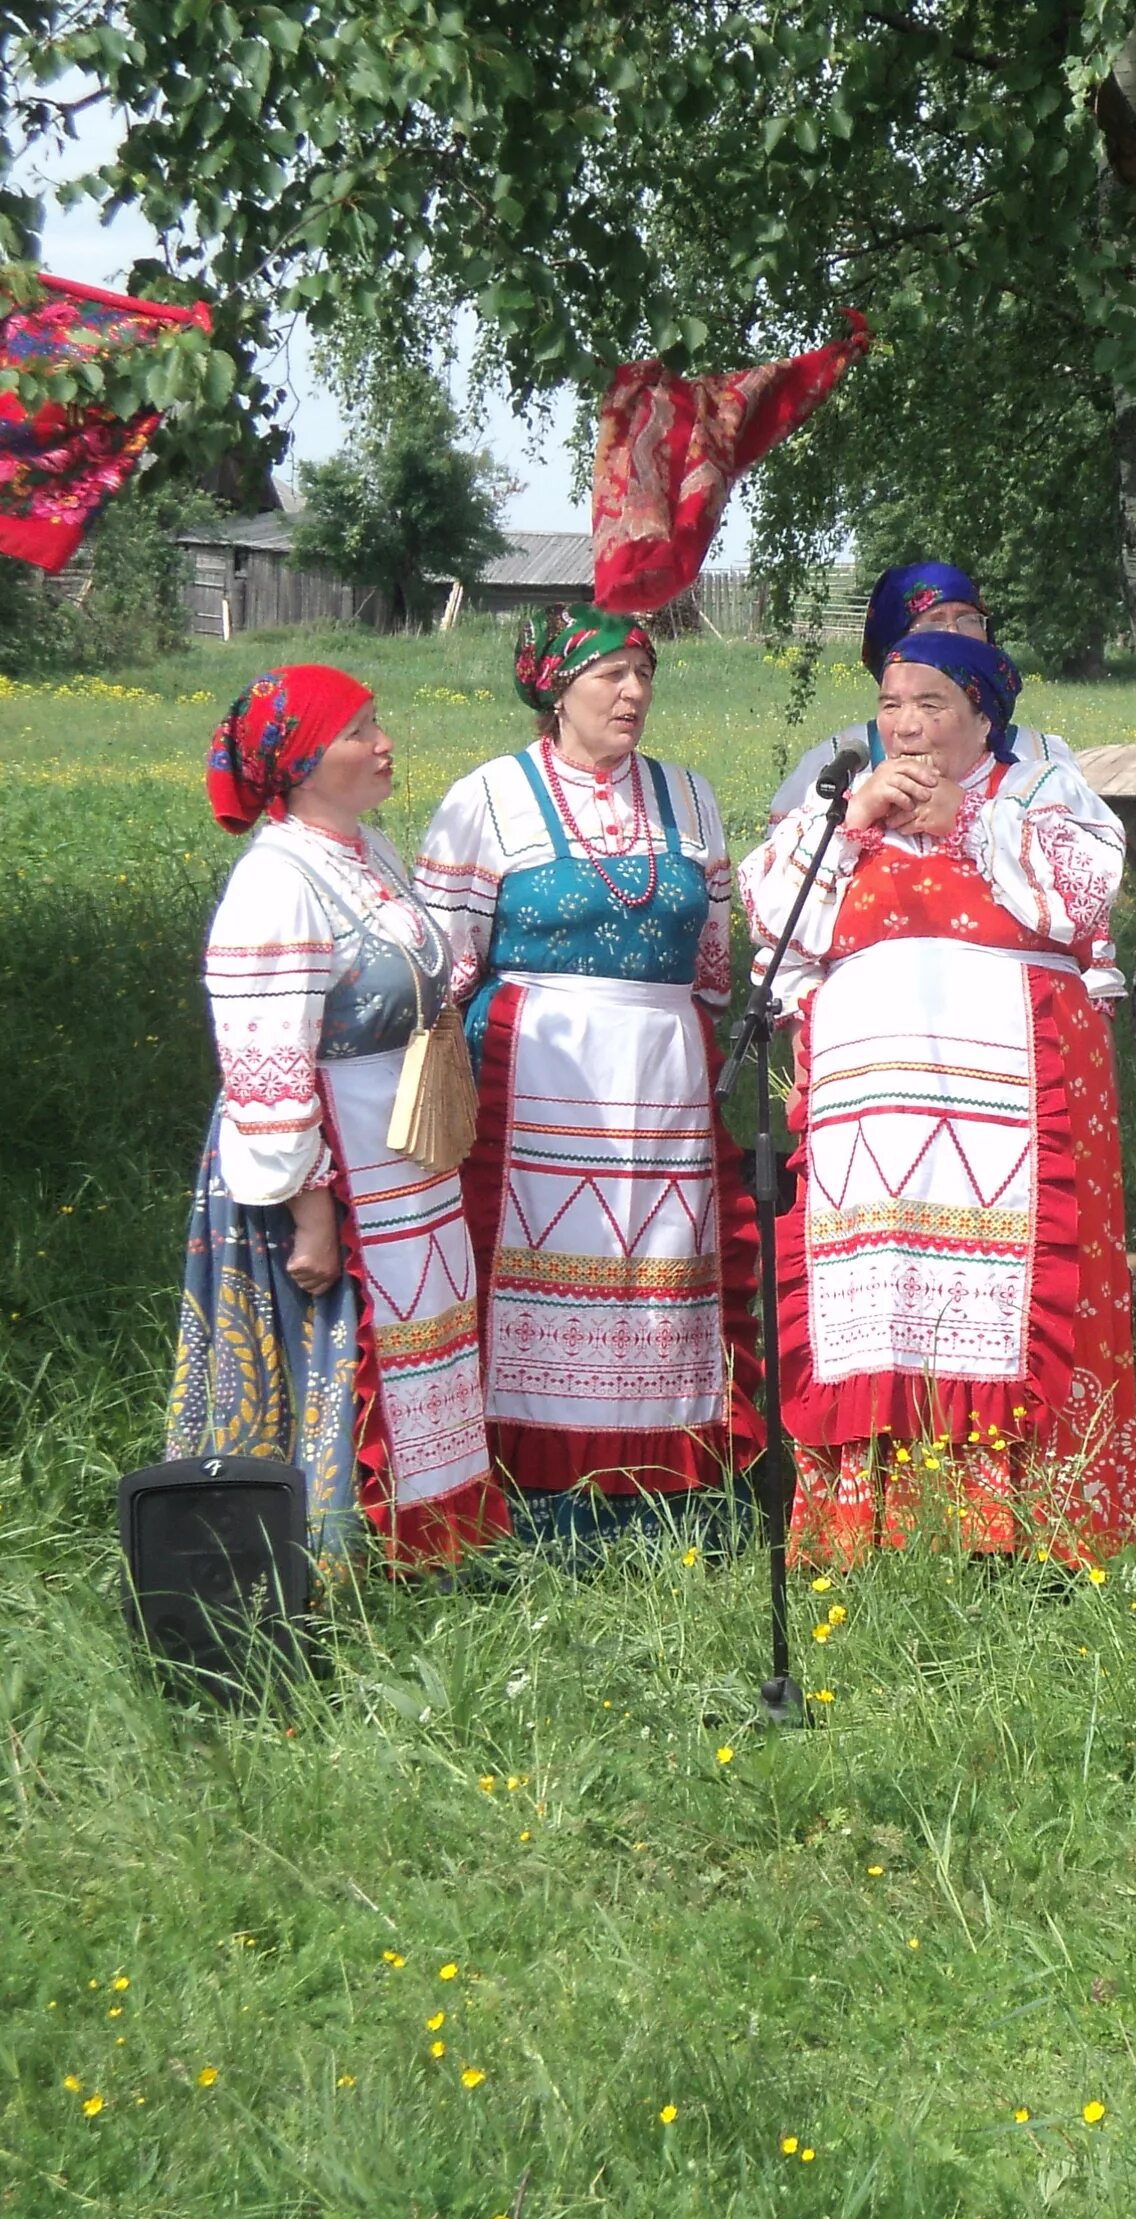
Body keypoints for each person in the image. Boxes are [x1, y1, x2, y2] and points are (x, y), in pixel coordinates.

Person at [741, 627, 1136, 1566]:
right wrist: (850, 820)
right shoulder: (842, 802)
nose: (907, 726)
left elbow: (1086, 895)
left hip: (1019, 1088)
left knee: (1028, 1292)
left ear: (983, 716)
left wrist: (963, 816)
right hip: (875, 1115)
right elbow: (771, 908)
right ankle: (871, 1530)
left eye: (932, 705)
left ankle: (1034, 1527)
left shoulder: (1039, 794)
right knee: (883, 1298)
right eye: (891, 705)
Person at [414, 607, 759, 1545]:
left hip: (665, 1080)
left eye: (644, 672)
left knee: (662, 1274)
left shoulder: (691, 798)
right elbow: (441, 971)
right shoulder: (485, 800)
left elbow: (717, 965)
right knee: (527, 1273)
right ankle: (528, 1503)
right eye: (610, 674)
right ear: (555, 688)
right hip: (533, 1083)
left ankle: (671, 1498)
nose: (634, 692)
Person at [173, 665, 500, 1566]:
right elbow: (265, 1058)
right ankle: (329, 1561)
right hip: (334, 1176)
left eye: (377, 721)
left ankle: (428, 1544)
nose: (385, 741)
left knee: (420, 1335)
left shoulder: (367, 852)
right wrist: (310, 1209)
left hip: (398, 1156)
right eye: (362, 730)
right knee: (341, 1355)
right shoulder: (276, 881)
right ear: (307, 761)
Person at [765, 562, 1079, 825]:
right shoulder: (842, 762)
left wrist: (972, 821)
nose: (955, 634)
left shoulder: (1040, 758)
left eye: (969, 619)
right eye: (933, 623)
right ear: (894, 644)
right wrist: (854, 815)